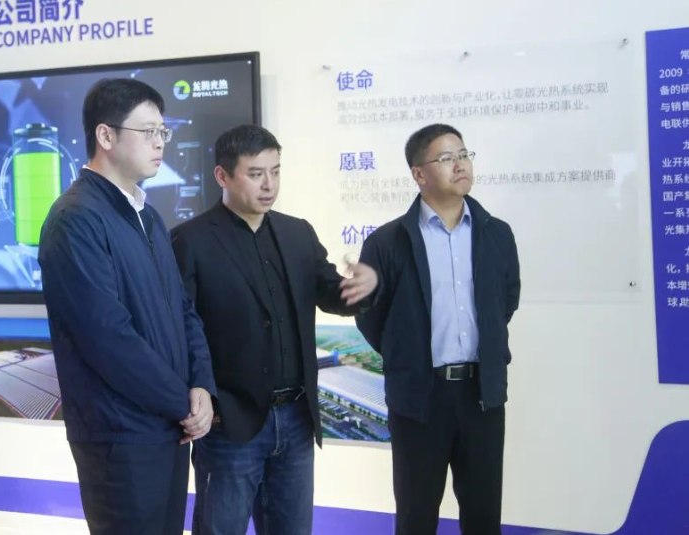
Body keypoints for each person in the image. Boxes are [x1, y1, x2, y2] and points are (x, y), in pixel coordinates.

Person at [170, 124, 378, 534]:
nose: (269, 185)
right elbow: (181, 328)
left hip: (297, 418)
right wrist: (202, 392)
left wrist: (362, 288)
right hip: (231, 423)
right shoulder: (190, 241)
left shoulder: (297, 232)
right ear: (222, 176)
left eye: (276, 171)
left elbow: (331, 292)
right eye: (256, 174)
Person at [38, 78, 216, 535]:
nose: (160, 143)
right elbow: (107, 337)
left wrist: (201, 386)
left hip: (167, 426)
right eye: (148, 131)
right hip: (119, 435)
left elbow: (183, 311)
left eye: (163, 132)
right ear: (106, 135)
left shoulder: (147, 216)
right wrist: (181, 401)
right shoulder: (75, 219)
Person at [356, 123, 521, 535]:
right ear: (419, 174)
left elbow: (505, 301)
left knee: (483, 517)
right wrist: (407, 354)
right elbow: (370, 316)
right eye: (446, 158)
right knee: (416, 516)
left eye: (463, 155)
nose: (460, 165)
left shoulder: (497, 233)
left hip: (482, 396)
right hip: (420, 398)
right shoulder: (387, 242)